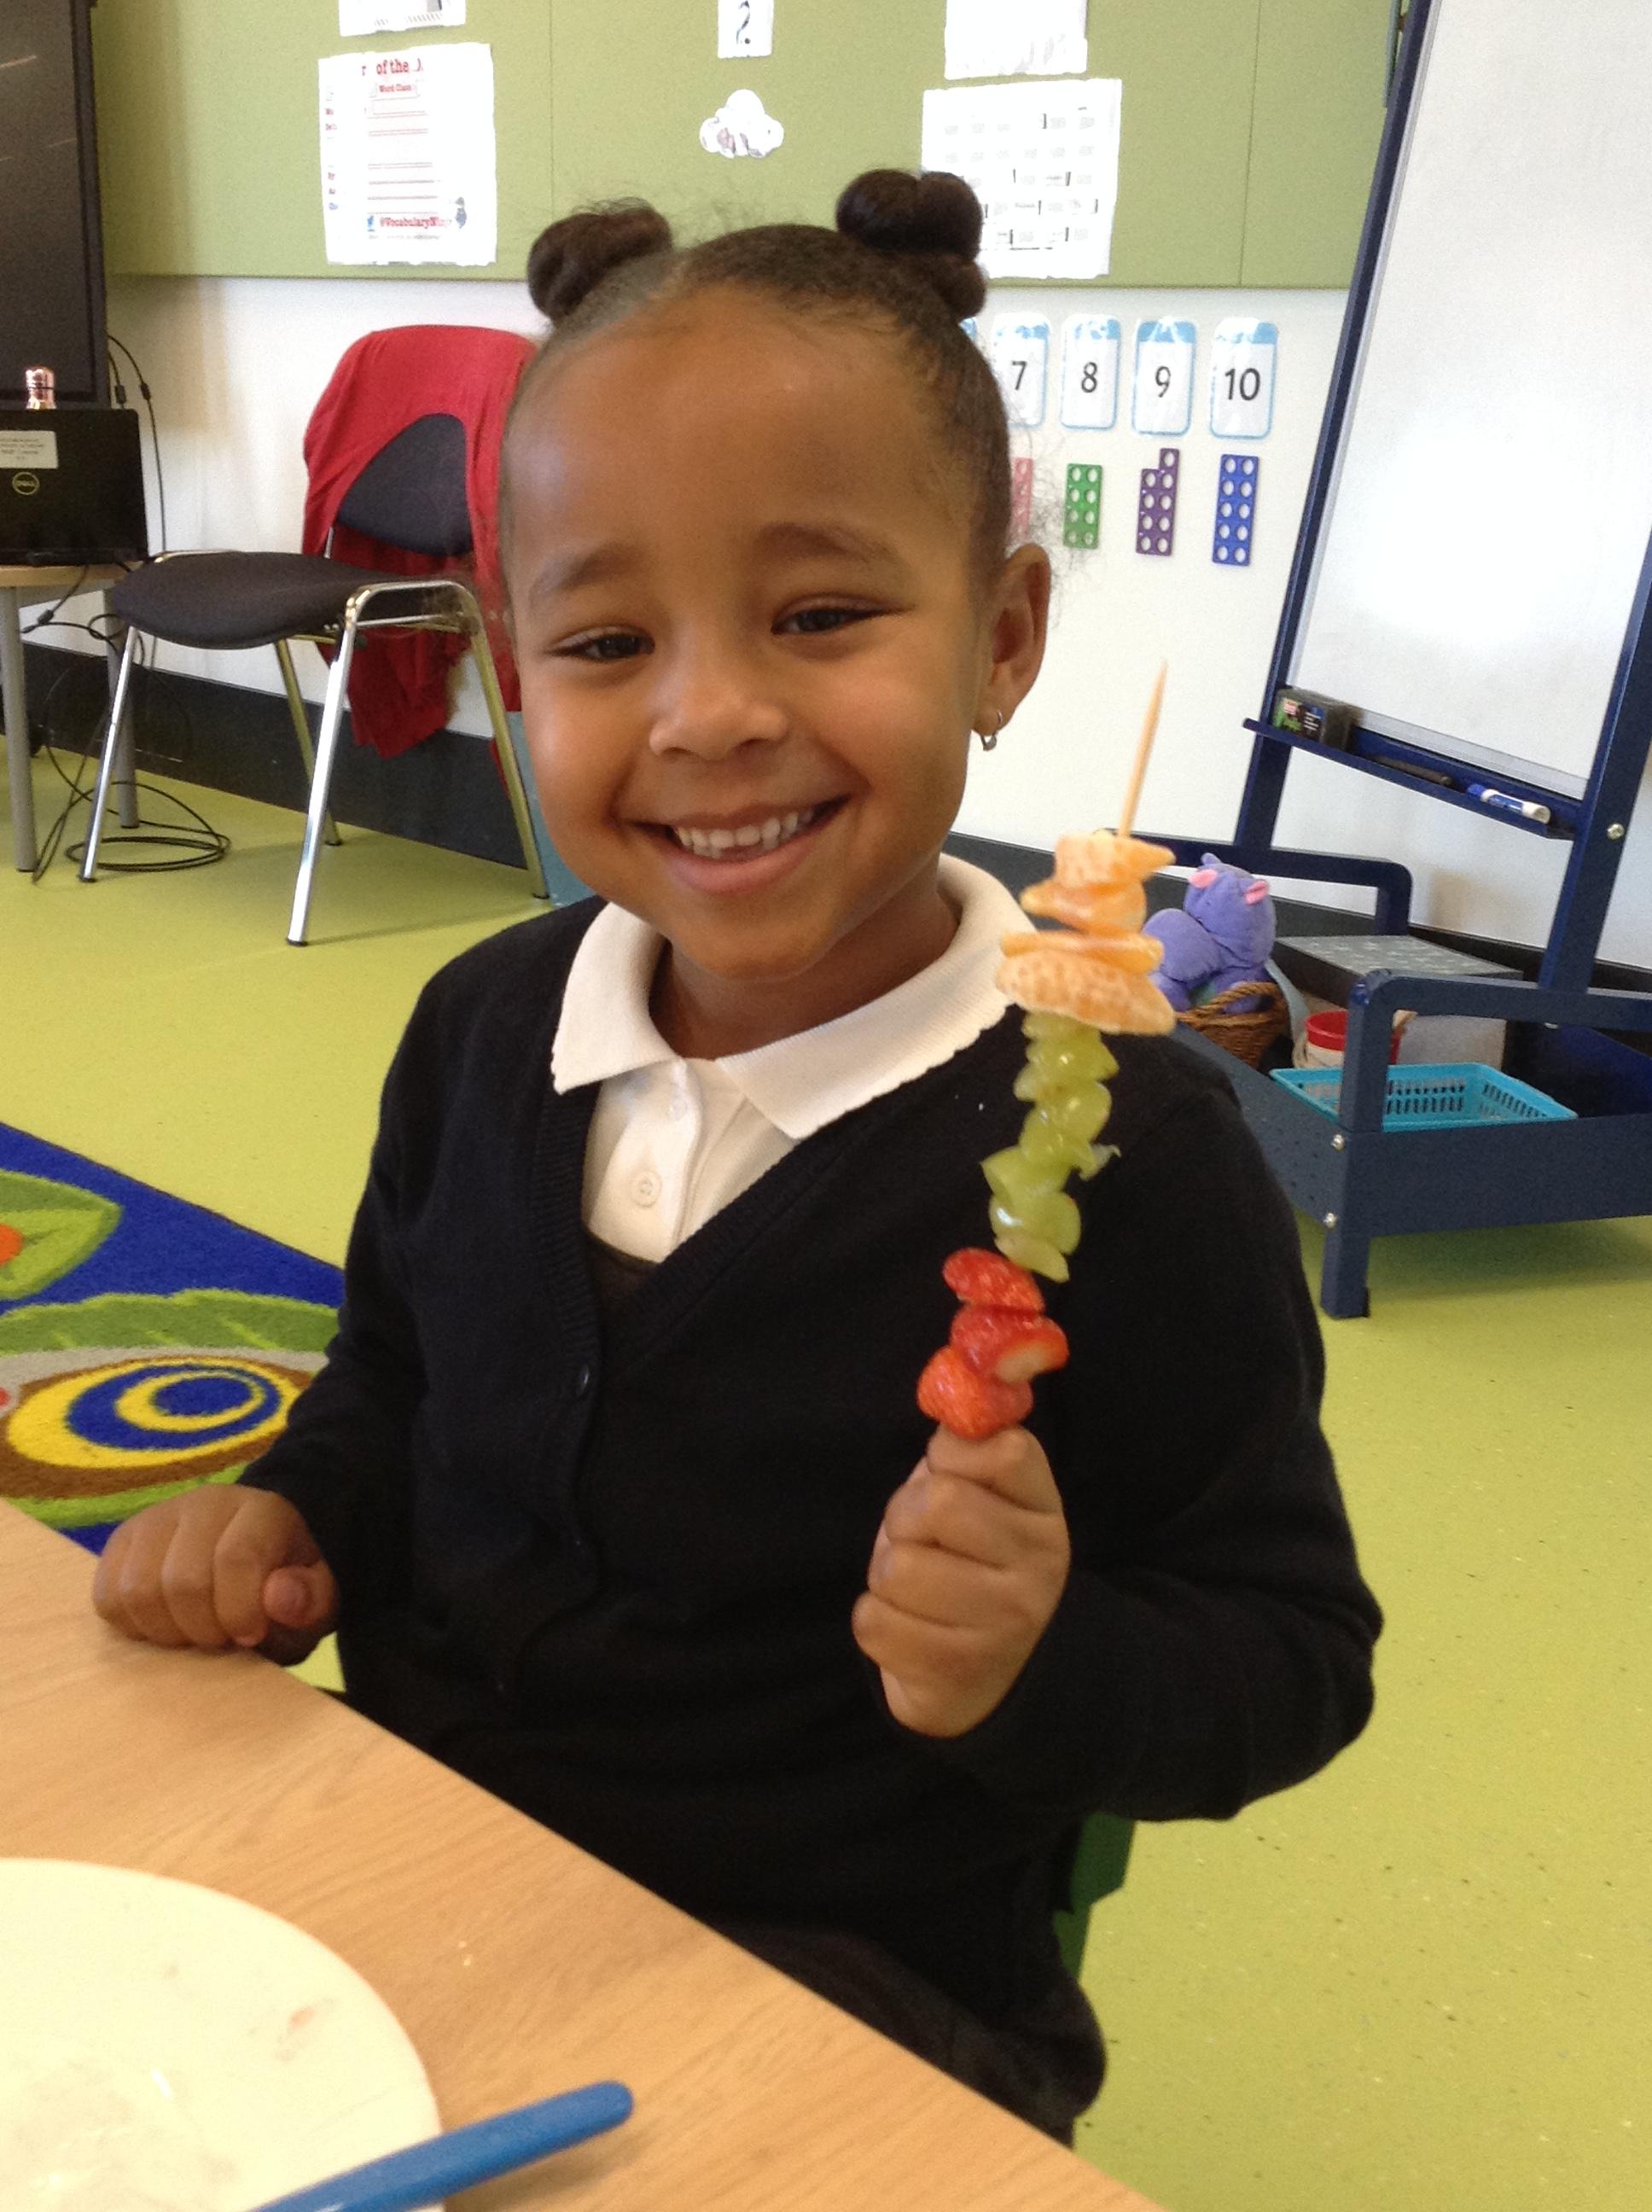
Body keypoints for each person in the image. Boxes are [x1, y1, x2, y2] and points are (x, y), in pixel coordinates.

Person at [93, 170, 1382, 2143]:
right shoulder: (481, 1031)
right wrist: (295, 1517)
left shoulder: (1136, 1153)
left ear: (1001, 637)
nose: (708, 715)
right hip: (420, 1848)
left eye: (819, 615)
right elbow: (398, 1379)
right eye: (607, 640)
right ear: (515, 669)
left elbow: (1287, 1655)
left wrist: (1039, 1659)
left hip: (845, 1971)